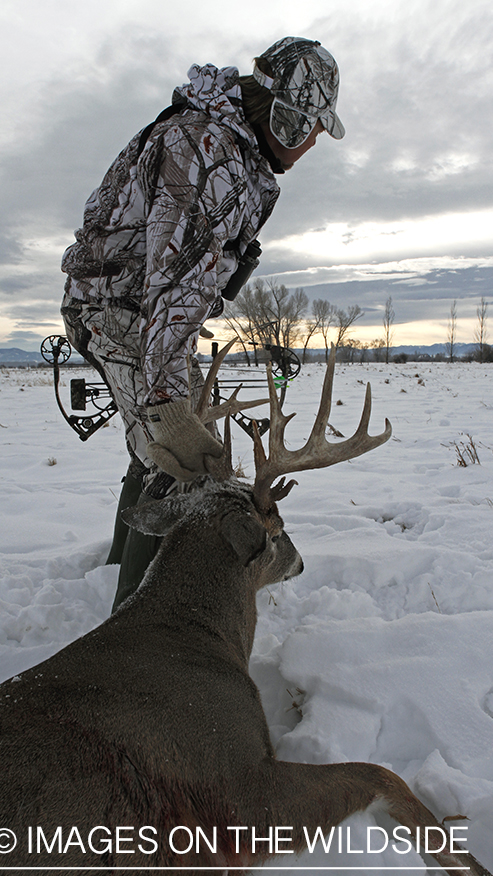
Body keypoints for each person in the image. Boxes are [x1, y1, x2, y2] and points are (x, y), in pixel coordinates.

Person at [60, 36, 345, 609]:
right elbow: (174, 283)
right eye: (311, 127)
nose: (314, 142)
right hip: (117, 311)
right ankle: (142, 631)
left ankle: (118, 570)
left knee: (165, 449)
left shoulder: (237, 155)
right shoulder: (205, 150)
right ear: (284, 118)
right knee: (183, 463)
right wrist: (168, 403)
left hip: (142, 316)